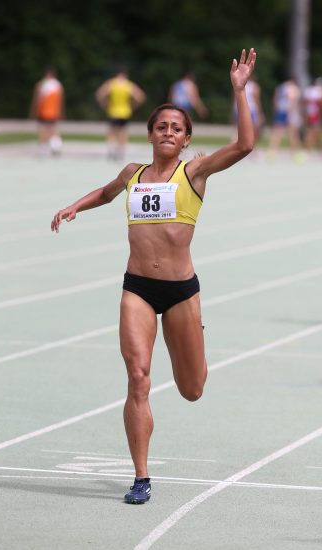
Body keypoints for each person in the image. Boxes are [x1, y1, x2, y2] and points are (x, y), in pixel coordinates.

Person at [51, 48, 256, 504]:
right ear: (149, 135)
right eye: (161, 126)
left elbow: (244, 146)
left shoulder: (196, 172)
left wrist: (239, 92)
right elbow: (105, 194)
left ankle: (196, 348)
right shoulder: (134, 173)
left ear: (186, 141)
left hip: (181, 292)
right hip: (138, 289)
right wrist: (74, 207)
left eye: (176, 128)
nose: (168, 132)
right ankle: (141, 477)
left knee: (192, 389)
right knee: (138, 375)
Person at [95, 68, 146, 160]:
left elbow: (99, 94)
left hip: (113, 111)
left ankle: (111, 150)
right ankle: (121, 152)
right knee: (123, 132)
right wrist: (132, 105)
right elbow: (140, 96)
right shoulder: (128, 85)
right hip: (125, 111)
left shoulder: (111, 83)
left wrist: (105, 104)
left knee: (112, 131)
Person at [30, 66, 65, 155]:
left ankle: (42, 149)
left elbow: (37, 100)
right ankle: (56, 147)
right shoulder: (58, 85)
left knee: (42, 130)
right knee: (54, 130)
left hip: (44, 112)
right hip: (54, 113)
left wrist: (33, 112)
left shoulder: (42, 84)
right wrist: (61, 112)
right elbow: (61, 100)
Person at [268, 79, 301, 152]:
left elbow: (275, 99)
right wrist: (291, 112)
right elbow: (292, 99)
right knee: (293, 133)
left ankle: (272, 150)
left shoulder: (280, 88)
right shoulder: (293, 88)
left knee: (277, 131)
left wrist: (276, 109)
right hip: (288, 111)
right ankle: (295, 152)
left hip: (280, 110)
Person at [233, 74, 264, 142]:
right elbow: (256, 100)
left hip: (238, 108)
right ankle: (251, 146)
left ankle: (232, 144)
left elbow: (235, 99)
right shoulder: (254, 86)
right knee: (253, 129)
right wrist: (260, 113)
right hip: (251, 109)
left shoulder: (239, 85)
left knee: (238, 130)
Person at [302, 77, 322, 150]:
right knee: (315, 131)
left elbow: (304, 103)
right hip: (316, 114)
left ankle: (319, 147)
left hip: (309, 113)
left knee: (311, 130)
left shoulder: (308, 91)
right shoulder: (321, 92)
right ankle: (311, 147)